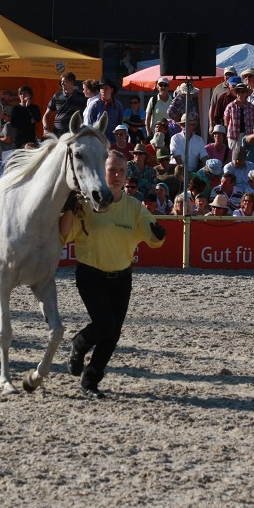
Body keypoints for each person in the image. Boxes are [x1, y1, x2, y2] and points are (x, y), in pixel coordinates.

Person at [60, 150, 165, 399]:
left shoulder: (134, 207)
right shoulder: (85, 204)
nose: (117, 176)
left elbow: (153, 237)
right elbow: (64, 235)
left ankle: (90, 381)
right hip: (90, 275)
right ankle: (79, 343)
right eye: (111, 170)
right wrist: (68, 210)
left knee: (112, 334)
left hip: (122, 277)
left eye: (121, 171)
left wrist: (158, 235)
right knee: (105, 325)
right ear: (101, 172)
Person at [86, 78, 124, 144]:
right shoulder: (94, 105)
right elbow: (89, 124)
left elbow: (119, 123)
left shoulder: (118, 105)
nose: (103, 90)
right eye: (101, 88)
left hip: (113, 141)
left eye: (106, 88)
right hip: (98, 141)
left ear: (111, 90)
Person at [223, 83, 254, 148]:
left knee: (247, 156)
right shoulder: (230, 106)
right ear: (236, 93)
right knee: (233, 156)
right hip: (233, 136)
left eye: (243, 91)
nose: (241, 94)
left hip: (248, 135)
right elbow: (226, 123)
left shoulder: (251, 107)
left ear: (246, 93)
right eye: (238, 91)